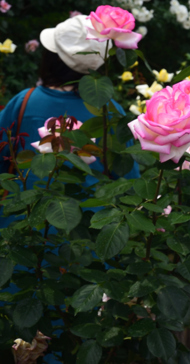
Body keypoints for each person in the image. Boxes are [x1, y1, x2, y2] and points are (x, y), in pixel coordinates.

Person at [1, 15, 135, 227]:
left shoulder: (24, 102)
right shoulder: (111, 113)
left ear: (51, 57)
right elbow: (129, 180)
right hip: (91, 233)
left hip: (23, 229)